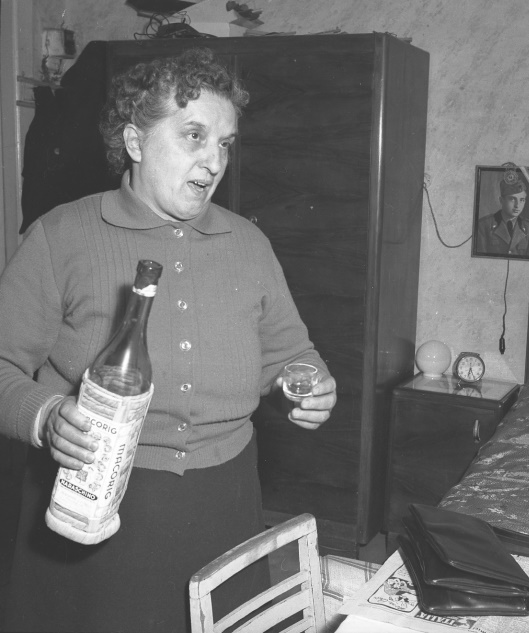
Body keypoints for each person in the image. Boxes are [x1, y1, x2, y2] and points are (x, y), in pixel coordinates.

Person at [0, 47, 336, 633]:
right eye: (194, 136)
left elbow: (289, 354)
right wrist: (45, 415)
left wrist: (307, 382)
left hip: (225, 507)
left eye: (225, 143)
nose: (214, 161)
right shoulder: (61, 236)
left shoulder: (248, 243)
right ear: (134, 141)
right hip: (96, 511)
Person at [475, 172, 529, 257]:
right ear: (501, 200)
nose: (517, 205)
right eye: (512, 199)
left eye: (521, 200)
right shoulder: (483, 226)